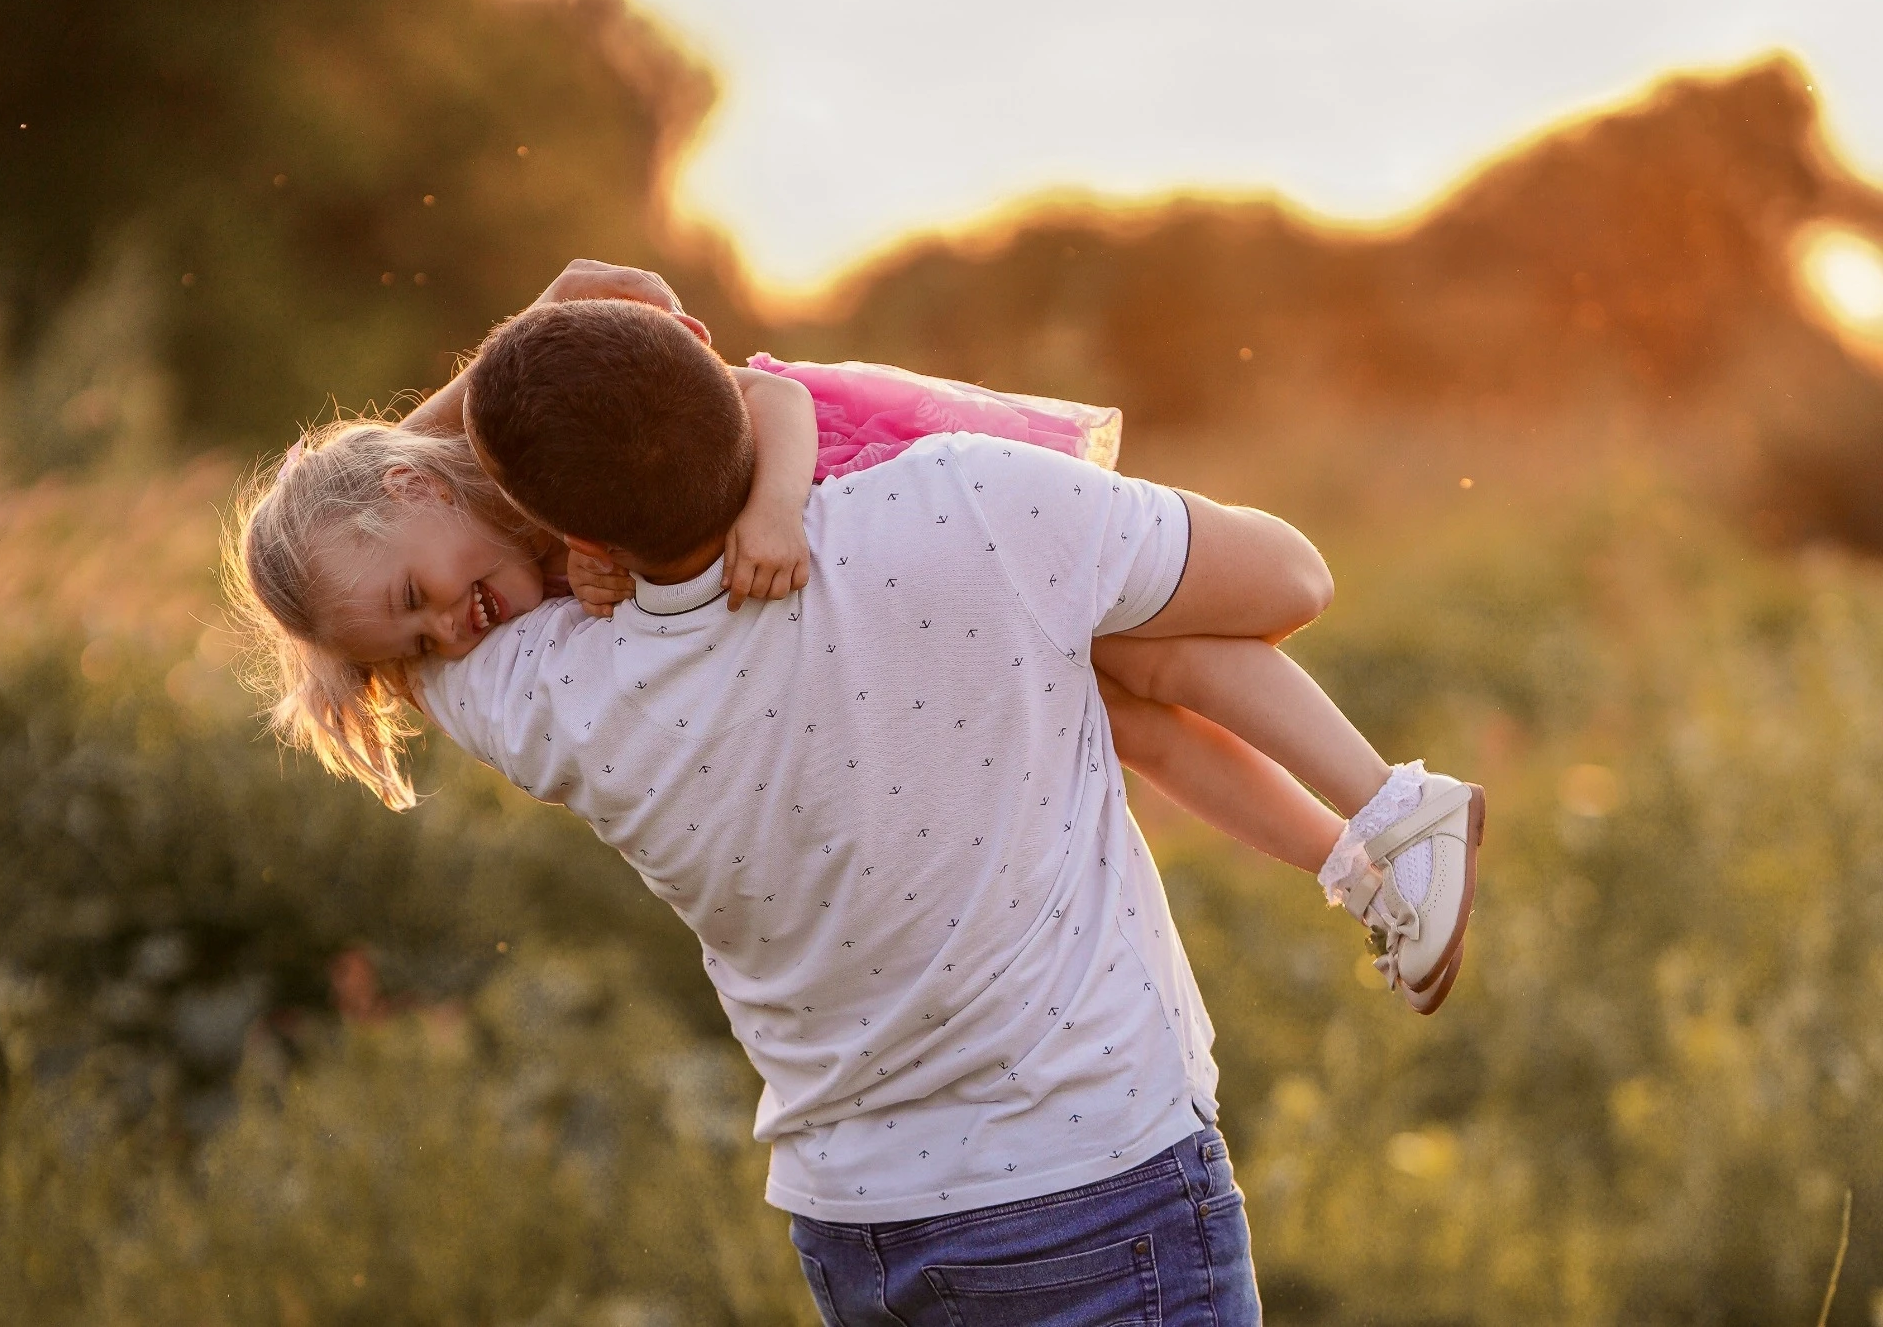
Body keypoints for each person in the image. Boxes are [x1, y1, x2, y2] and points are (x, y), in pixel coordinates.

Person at [226, 261, 1482, 1323]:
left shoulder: (532, 696)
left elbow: (560, 456)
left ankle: (1365, 844)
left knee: (1123, 693)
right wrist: (534, 341)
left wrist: (497, 416)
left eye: (414, 605)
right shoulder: (960, 506)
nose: (445, 628)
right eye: (412, 637)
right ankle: (1378, 817)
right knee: (1134, 666)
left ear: (448, 485)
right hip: (1096, 1178)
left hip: (859, 1225)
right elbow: (1291, 582)